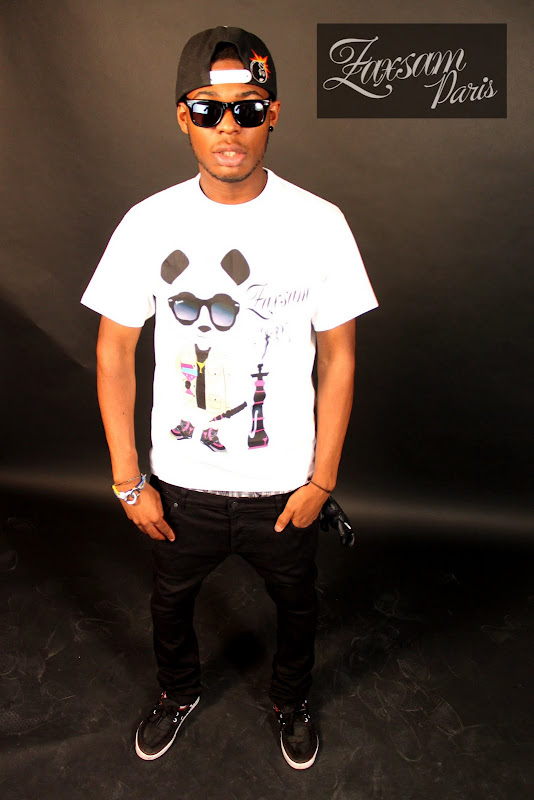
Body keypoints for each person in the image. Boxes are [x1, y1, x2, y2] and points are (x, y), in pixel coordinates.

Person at [81, 26, 378, 770]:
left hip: (285, 488)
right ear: (183, 117)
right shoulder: (149, 223)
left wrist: (322, 481)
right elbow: (114, 350)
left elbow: (339, 357)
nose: (228, 127)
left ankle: (291, 700)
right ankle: (178, 690)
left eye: (247, 108)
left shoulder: (319, 223)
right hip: (181, 486)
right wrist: (128, 482)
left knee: (299, 605)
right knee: (169, 604)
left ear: (272, 113)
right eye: (209, 110)